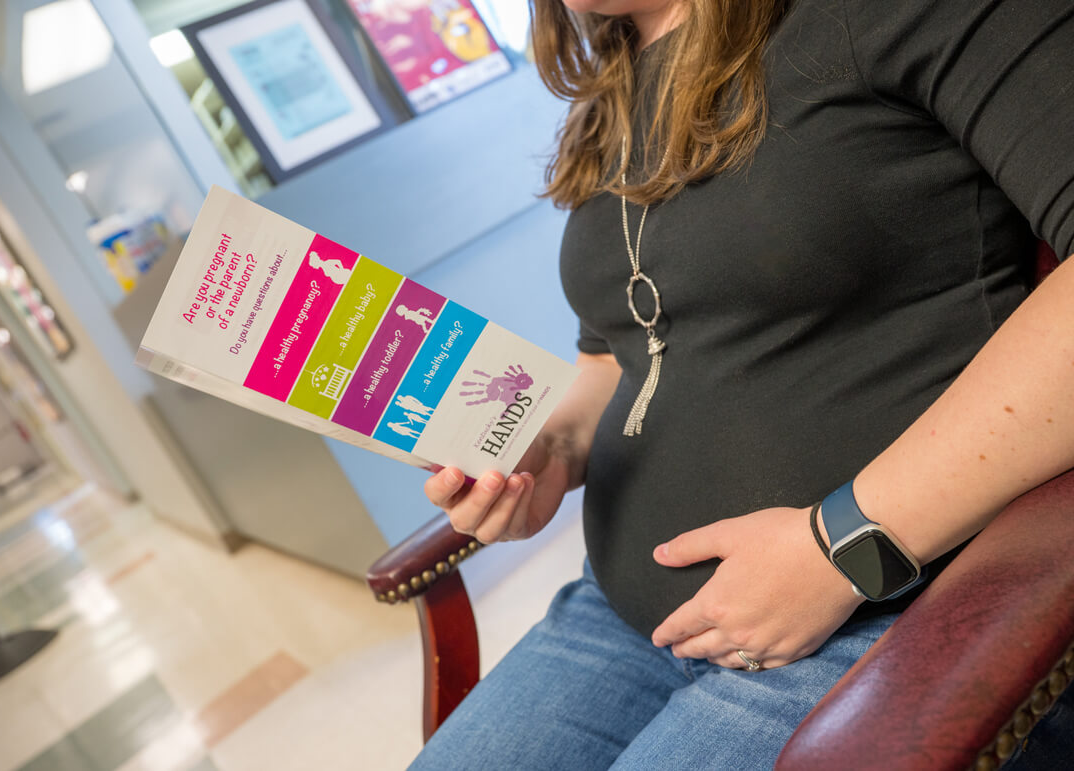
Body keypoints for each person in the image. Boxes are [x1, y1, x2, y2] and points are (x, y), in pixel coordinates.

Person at [411, 0, 1074, 767]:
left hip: (878, 607)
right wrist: (548, 449)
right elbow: (623, 353)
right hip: (622, 614)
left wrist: (841, 546)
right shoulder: (617, 76)